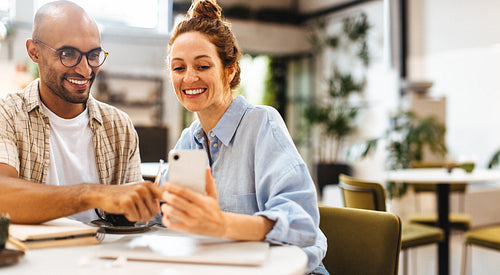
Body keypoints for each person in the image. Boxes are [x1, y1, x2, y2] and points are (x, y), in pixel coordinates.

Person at [159, 0, 328, 274]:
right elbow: (167, 215)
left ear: (230, 70)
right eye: (178, 68)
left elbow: (302, 223)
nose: (189, 78)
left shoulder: (262, 124)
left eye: (202, 66)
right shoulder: (189, 141)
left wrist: (222, 224)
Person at [0, 0, 162, 224]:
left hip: (103, 257)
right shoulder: (7, 115)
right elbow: (3, 197)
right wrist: (93, 195)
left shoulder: (118, 126)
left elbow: (135, 221)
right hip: (35, 258)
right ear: (34, 52)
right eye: (68, 54)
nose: (85, 69)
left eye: (93, 55)